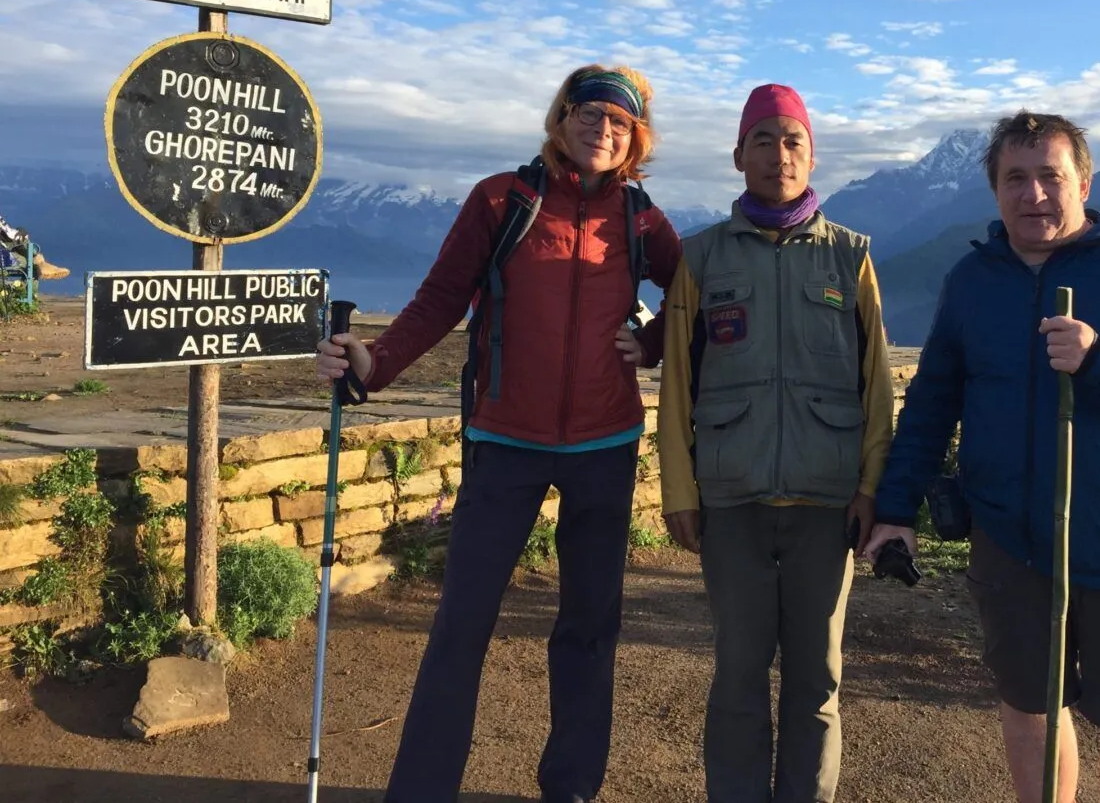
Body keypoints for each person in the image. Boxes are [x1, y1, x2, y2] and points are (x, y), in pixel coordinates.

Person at [316, 65, 682, 803]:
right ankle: (421, 790)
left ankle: (571, 788)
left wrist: (653, 345)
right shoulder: (501, 200)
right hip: (505, 440)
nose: (602, 128)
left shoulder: (642, 218)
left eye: (620, 122)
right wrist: (375, 362)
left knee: (589, 628)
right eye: (590, 112)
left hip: (604, 446)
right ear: (563, 117)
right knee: (462, 624)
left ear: (635, 138)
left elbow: (692, 294)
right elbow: (440, 298)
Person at [864, 111, 1100, 803]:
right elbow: (932, 402)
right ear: (995, 189)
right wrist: (895, 509)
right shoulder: (974, 279)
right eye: (1015, 179)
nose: (1033, 195)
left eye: (1050, 177)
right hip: (1010, 538)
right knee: (1032, 708)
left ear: (1083, 182)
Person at [656, 84, 894, 803]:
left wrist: (871, 487)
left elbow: (876, 383)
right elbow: (676, 389)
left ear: (812, 155)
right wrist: (679, 491)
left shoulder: (850, 256)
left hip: (828, 502)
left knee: (817, 680)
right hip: (732, 500)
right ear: (738, 156)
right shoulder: (700, 259)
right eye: (764, 140)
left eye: (792, 140)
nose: (779, 154)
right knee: (736, 674)